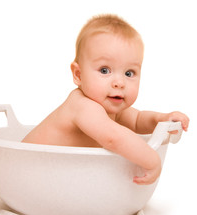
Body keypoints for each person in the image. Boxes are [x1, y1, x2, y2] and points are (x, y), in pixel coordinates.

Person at [22, 14, 189, 185]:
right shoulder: (82, 105)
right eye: (104, 70)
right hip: (23, 169)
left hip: (53, 175)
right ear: (78, 75)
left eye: (129, 73)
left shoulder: (110, 109)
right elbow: (113, 138)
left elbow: (138, 120)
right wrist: (152, 160)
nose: (119, 83)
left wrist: (162, 119)